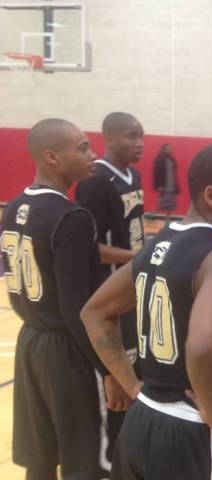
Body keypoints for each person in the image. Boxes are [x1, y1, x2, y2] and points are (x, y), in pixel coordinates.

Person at [81, 144, 212, 479]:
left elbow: (94, 311)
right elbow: (204, 346)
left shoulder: (156, 246)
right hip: (194, 431)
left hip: (141, 422)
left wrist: (133, 386)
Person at [1, 118, 126, 479]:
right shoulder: (72, 216)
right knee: (87, 462)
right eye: (83, 147)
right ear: (52, 157)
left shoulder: (13, 207)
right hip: (68, 352)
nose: (92, 154)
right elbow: (78, 310)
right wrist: (109, 370)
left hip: (30, 343)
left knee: (39, 457)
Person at [75, 111, 146, 461]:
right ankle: (113, 460)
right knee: (117, 381)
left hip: (134, 286)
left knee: (136, 375)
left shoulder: (132, 174)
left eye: (141, 136)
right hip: (112, 293)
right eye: (131, 136)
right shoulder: (95, 181)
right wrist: (138, 255)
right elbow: (89, 248)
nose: (139, 143)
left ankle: (132, 453)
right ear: (110, 139)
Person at [152, 143, 180, 215]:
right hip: (164, 186)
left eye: (170, 148)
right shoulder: (160, 159)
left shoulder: (171, 159)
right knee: (161, 203)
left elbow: (174, 174)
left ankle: (167, 222)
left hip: (171, 186)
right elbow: (156, 173)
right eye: (167, 148)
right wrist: (158, 185)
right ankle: (154, 215)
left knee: (169, 207)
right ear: (164, 149)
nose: (169, 150)